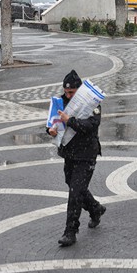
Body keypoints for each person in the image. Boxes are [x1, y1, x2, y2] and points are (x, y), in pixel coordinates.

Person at [47, 70, 106, 247]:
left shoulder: (92, 102)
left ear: (79, 91)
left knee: (75, 192)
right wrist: (51, 130)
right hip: (70, 153)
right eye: (66, 92)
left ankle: (70, 231)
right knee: (73, 185)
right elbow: (52, 122)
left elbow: (92, 125)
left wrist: (70, 120)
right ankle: (95, 208)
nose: (68, 95)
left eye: (72, 92)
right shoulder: (60, 101)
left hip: (87, 154)